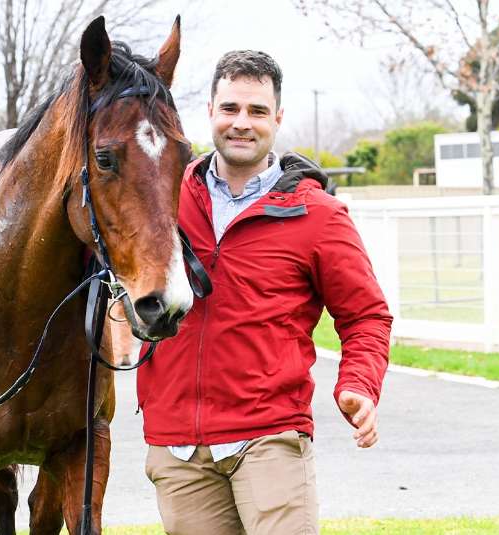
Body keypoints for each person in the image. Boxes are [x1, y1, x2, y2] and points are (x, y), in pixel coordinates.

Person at [136, 50, 393, 535]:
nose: (242, 123)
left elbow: (365, 316)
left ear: (277, 118)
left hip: (269, 435)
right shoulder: (161, 196)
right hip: (179, 448)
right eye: (230, 108)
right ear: (210, 112)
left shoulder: (318, 215)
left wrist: (359, 384)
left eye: (257, 111)